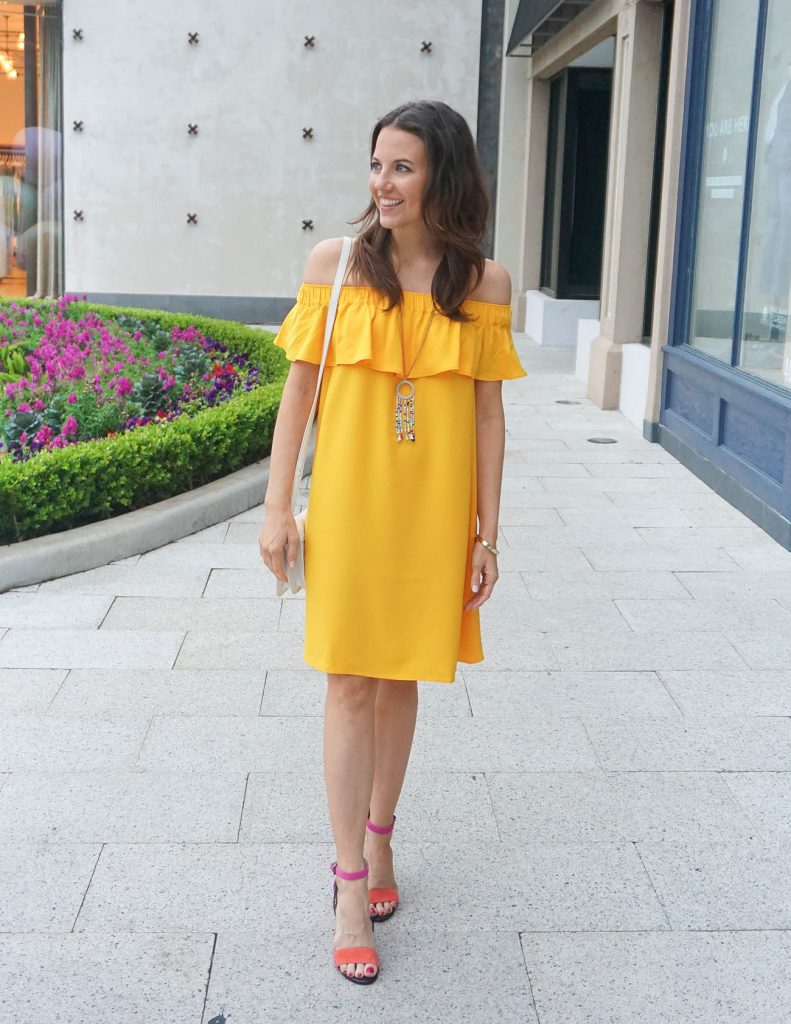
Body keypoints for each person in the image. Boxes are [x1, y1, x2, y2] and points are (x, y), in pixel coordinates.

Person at [258, 99, 527, 984]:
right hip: (348, 505)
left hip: (433, 510)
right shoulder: (335, 267)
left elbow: (488, 411)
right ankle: (346, 888)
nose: (382, 183)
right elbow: (297, 395)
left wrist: (488, 530)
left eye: (403, 167)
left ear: (442, 177)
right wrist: (276, 509)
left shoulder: (484, 283)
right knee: (348, 680)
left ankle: (381, 846)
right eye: (376, 164)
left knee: (402, 674)